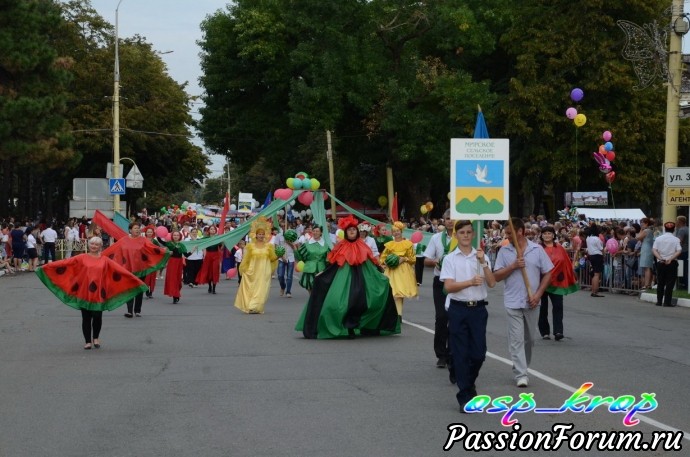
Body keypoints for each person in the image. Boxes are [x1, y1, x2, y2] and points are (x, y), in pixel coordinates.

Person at [295, 215, 400, 339]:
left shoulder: (362, 245)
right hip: (343, 278)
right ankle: (345, 326)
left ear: (357, 232)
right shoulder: (341, 246)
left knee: (367, 300)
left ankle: (362, 326)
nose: (352, 231)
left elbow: (371, 261)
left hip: (363, 277)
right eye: (349, 230)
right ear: (345, 232)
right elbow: (333, 262)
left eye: (354, 230)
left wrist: (380, 271)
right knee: (337, 304)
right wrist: (323, 273)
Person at [36, 236, 147, 349]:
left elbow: (120, 271)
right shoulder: (81, 257)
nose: (94, 246)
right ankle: (88, 341)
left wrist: (137, 281)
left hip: (99, 292)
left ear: (100, 247)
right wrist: (45, 267)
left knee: (97, 316)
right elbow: (65, 263)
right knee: (86, 317)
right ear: (89, 245)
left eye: (96, 244)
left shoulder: (105, 260)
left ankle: (96, 338)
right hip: (84, 291)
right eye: (92, 244)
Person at [440, 220, 496, 412]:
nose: (465, 235)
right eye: (462, 232)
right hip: (458, 309)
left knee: (479, 354)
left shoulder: (481, 256)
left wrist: (483, 263)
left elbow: (492, 283)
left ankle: (469, 383)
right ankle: (464, 395)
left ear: (473, 235)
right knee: (461, 353)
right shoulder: (450, 259)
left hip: (478, 310)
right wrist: (470, 282)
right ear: (456, 235)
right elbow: (448, 287)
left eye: (468, 232)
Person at [493, 217, 553, 388]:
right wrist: (513, 266)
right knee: (516, 340)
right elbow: (496, 276)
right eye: (506, 233)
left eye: (510, 233)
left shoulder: (537, 250)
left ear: (520, 232)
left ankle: (521, 364)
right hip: (512, 301)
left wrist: (539, 294)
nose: (507, 236)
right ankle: (521, 373)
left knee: (529, 340)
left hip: (532, 301)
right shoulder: (504, 252)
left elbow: (548, 272)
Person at [103, 221, 170, 318]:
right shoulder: (123, 240)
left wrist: (164, 251)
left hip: (141, 269)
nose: (137, 230)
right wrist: (100, 256)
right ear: (130, 230)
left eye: (138, 228)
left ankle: (137, 310)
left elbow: (153, 249)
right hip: (128, 269)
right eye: (135, 228)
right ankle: (129, 311)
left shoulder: (144, 240)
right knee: (129, 289)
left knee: (139, 289)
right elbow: (113, 249)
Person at [423, 213, 456, 368]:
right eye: (448, 218)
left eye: (454, 218)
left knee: (455, 317)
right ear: (444, 220)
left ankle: (453, 352)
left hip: (458, 282)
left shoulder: (463, 237)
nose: (451, 221)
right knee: (442, 317)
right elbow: (426, 260)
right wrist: (435, 261)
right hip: (440, 281)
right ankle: (441, 354)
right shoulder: (436, 238)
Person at [538, 226, 578, 342]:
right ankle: (545, 332)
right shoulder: (538, 248)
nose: (547, 235)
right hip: (542, 282)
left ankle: (558, 331)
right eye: (544, 233)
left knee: (558, 306)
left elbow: (566, 263)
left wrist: (572, 275)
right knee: (543, 308)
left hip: (557, 282)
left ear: (553, 235)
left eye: (549, 233)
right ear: (541, 235)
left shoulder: (560, 248)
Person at [234, 217, 278, 314]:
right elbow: (246, 259)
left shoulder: (269, 246)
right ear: (256, 235)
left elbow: (272, 258)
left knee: (262, 289)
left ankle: (256, 306)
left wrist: (278, 256)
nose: (261, 236)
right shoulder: (250, 246)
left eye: (263, 234)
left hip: (264, 272)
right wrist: (244, 269)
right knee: (252, 288)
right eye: (259, 234)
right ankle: (251, 306)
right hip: (253, 271)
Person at [380, 221, 418, 316]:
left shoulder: (408, 244)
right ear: (392, 233)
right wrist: (387, 262)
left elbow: (413, 258)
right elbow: (383, 257)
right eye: (394, 231)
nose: (396, 233)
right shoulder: (389, 245)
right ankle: (392, 313)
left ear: (401, 231)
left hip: (403, 271)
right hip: (391, 270)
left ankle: (399, 314)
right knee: (391, 292)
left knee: (399, 293)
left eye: (398, 231)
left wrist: (404, 259)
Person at [291, 225, 329, 292]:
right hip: (309, 270)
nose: (315, 232)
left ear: (321, 233)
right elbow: (300, 257)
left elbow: (328, 260)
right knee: (310, 289)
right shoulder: (306, 245)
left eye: (317, 231)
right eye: (314, 231)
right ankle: (312, 301)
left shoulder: (326, 245)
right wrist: (294, 248)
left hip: (322, 270)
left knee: (321, 291)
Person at [652, 222, 682, 307]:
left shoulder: (658, 239)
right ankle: (667, 302)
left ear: (665, 229)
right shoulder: (676, 239)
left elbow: (654, 250)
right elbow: (679, 251)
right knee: (670, 283)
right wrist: (671, 259)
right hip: (672, 263)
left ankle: (659, 301)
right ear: (674, 229)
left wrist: (660, 258)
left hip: (661, 262)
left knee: (660, 282)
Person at [162, 230, 187, 304]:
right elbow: (161, 241)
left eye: (177, 235)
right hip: (172, 262)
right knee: (172, 279)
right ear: (172, 236)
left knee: (178, 279)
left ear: (180, 237)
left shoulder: (182, 245)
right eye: (174, 235)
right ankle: (175, 295)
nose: (176, 236)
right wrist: (160, 234)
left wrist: (193, 250)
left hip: (179, 263)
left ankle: (177, 292)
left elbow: (186, 255)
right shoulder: (170, 244)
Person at [196, 225, 221, 294]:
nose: (212, 230)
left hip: (216, 255)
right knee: (209, 271)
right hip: (208, 255)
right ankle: (210, 286)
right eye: (211, 229)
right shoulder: (205, 238)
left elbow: (221, 247)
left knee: (215, 271)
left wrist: (223, 241)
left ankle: (214, 288)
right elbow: (198, 242)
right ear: (209, 231)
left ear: (216, 231)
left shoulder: (218, 238)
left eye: (214, 229)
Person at [272, 228, 295, 297]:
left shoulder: (293, 236)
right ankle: (283, 286)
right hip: (281, 258)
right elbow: (276, 248)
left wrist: (289, 242)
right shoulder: (278, 236)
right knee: (280, 275)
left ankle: (288, 291)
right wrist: (282, 257)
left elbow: (295, 247)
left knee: (289, 276)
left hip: (290, 258)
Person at [586, 224, 605, 297]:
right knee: (597, 274)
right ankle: (595, 291)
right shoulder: (597, 239)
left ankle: (593, 290)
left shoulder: (588, 238)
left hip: (591, 255)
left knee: (594, 273)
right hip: (597, 255)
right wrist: (603, 255)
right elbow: (601, 248)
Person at [636, 218, 655, 289]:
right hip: (648, 249)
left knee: (646, 267)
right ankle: (648, 284)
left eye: (643, 223)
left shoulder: (646, 230)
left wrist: (641, 229)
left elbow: (638, 237)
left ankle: (647, 285)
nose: (641, 224)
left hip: (646, 249)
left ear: (646, 223)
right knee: (648, 267)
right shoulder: (650, 230)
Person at [143, 225, 158, 298]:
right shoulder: (142, 240)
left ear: (153, 233)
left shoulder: (155, 241)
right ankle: (146, 290)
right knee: (146, 276)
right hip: (145, 261)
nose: (149, 233)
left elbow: (159, 250)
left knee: (152, 276)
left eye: (151, 232)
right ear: (146, 233)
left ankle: (151, 291)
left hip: (153, 260)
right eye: (148, 232)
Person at [674, 216, 688, 288]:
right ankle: (686, 284)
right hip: (687, 251)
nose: (675, 222)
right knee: (686, 268)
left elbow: (679, 241)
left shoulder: (681, 230)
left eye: (676, 221)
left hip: (682, 251)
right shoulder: (687, 229)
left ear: (680, 222)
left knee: (681, 269)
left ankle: (683, 284)